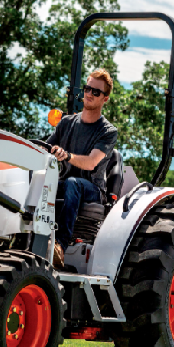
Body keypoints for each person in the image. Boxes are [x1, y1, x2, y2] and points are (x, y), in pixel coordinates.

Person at [47, 68, 118, 268]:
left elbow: (91, 162)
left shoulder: (108, 131)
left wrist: (67, 156)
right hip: (65, 183)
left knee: (73, 184)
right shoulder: (66, 123)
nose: (89, 94)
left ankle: (60, 245)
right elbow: (45, 148)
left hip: (92, 189)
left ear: (105, 98)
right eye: (87, 88)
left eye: (96, 92)